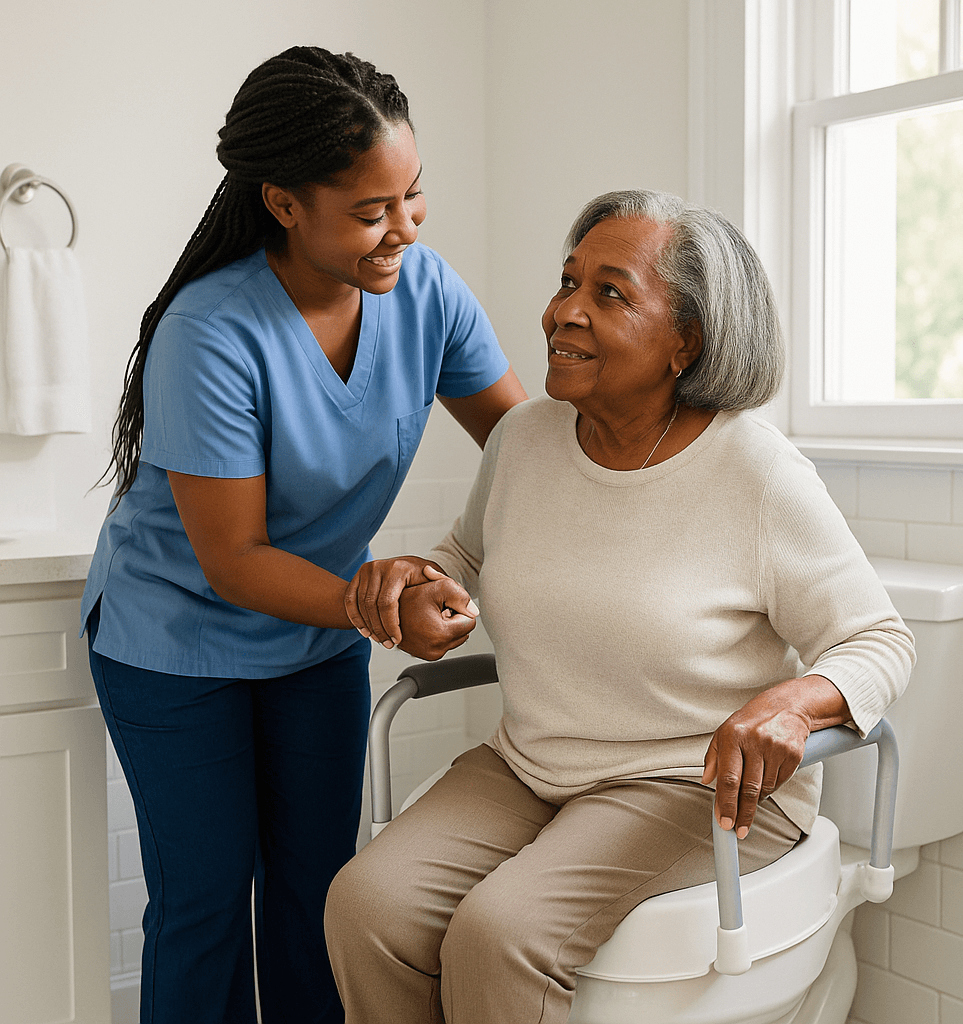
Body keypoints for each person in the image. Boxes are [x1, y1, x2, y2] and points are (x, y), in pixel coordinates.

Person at [325, 190, 916, 1024]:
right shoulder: (523, 439)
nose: (564, 313)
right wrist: (421, 584)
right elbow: (466, 558)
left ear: (688, 340)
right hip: (531, 764)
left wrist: (792, 701)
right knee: (365, 904)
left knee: (501, 934)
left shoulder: (755, 472)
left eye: (609, 293)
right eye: (567, 282)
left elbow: (879, 638)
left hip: (693, 785)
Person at [80, 45, 525, 1024]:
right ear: (283, 203)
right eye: (371, 211)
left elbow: (522, 450)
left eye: (413, 197)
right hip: (176, 637)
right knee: (203, 896)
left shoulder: (426, 291)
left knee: (319, 889)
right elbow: (231, 556)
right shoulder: (212, 330)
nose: (402, 229)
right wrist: (378, 598)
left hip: (314, 630)